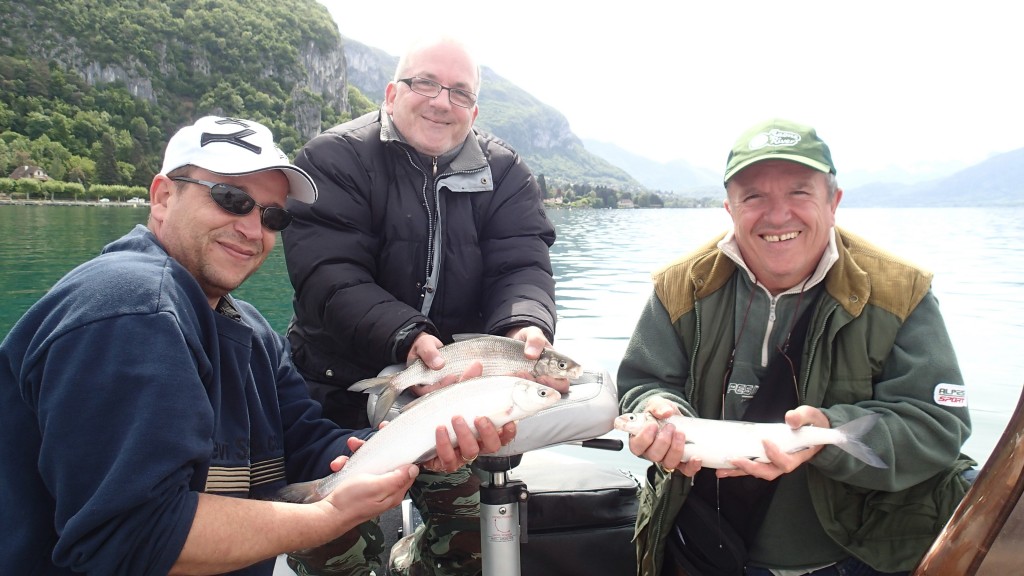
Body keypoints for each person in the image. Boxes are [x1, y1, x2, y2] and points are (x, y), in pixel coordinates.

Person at [0, 115, 508, 576]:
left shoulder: (249, 329)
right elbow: (131, 539)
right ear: (162, 197)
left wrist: (421, 436)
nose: (251, 229)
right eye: (230, 199)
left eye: (273, 217)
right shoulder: (131, 307)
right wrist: (327, 518)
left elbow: (309, 446)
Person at [617, 118, 976, 576]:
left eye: (799, 193)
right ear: (730, 208)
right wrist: (657, 410)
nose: (778, 215)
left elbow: (937, 425)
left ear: (834, 202)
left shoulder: (901, 293)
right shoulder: (679, 287)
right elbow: (644, 382)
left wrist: (829, 434)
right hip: (708, 549)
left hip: (857, 558)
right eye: (754, 197)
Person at [281, 35, 562, 575]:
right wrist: (411, 337)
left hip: (457, 403)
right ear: (391, 93)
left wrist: (525, 322)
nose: (441, 101)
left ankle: (413, 556)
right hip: (335, 396)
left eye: (459, 92)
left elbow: (522, 265)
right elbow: (328, 275)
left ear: (474, 110)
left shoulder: (505, 175)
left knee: (470, 549)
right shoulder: (332, 158)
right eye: (425, 84)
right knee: (332, 555)